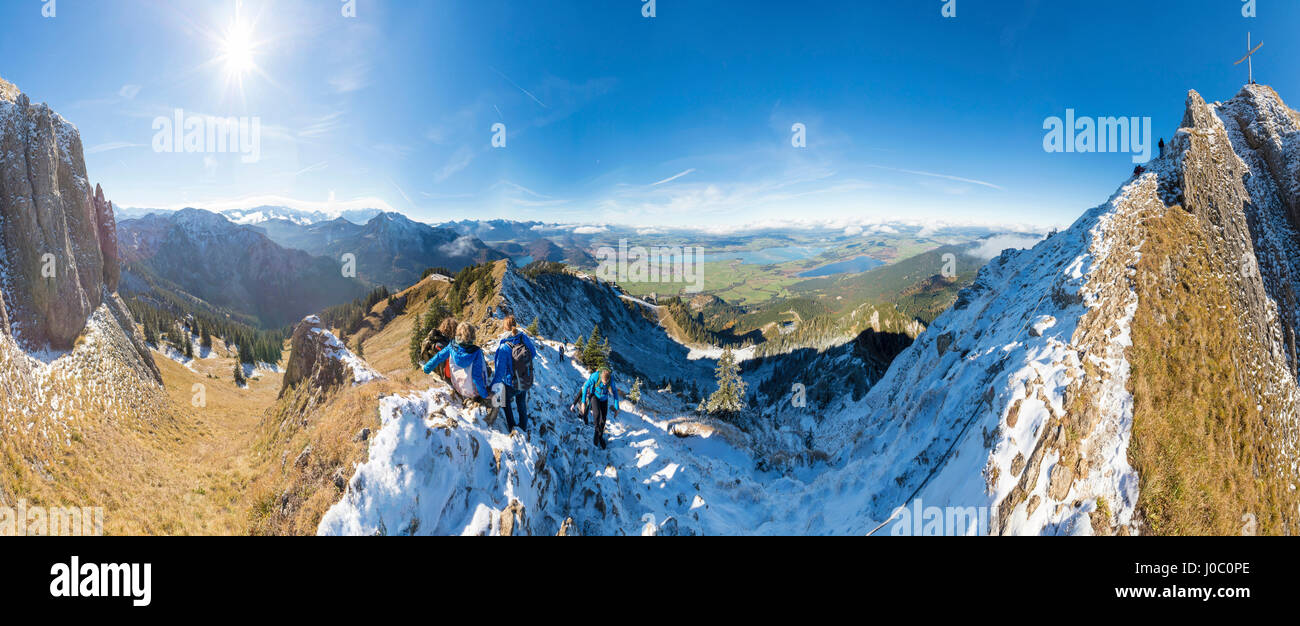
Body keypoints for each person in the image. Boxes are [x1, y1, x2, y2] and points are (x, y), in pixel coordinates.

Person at [490, 315, 537, 434]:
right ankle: (523, 427)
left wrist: (492, 387)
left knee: (504, 402)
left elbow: (499, 373)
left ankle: (512, 427)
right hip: (525, 378)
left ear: (505, 328)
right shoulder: (523, 337)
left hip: (511, 383)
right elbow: (533, 353)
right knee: (521, 404)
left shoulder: (504, 347)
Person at [422, 322, 490, 403]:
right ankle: (478, 397)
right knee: (487, 370)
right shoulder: (476, 352)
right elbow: (476, 376)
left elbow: (439, 357)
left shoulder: (451, 346)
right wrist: (484, 394)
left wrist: (427, 368)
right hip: (474, 392)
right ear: (472, 336)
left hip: (458, 387)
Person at [581, 367, 619, 449]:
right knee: (597, 414)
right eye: (604, 382)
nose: (605, 384)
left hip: (604, 398)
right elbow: (586, 386)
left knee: (603, 419)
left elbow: (615, 392)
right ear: (601, 378)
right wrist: (583, 402)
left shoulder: (611, 379)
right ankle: (596, 432)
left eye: (606, 383)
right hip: (595, 395)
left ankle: (600, 436)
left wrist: (617, 407)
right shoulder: (595, 376)